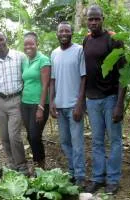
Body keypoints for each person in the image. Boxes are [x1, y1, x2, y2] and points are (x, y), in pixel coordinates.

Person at [83, 5, 126, 194]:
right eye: (90, 19)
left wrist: (119, 104)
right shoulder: (86, 40)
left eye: (96, 19)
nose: (93, 22)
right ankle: (98, 178)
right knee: (97, 141)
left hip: (110, 98)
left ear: (103, 18)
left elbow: (124, 74)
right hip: (92, 100)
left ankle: (113, 179)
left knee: (115, 140)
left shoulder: (114, 39)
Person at [50, 22, 86, 187]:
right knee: (65, 142)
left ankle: (79, 176)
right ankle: (72, 172)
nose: (64, 33)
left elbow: (84, 77)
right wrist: (52, 101)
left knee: (77, 142)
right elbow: (53, 80)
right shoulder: (54, 53)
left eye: (67, 30)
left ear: (72, 33)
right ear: (57, 34)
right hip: (60, 105)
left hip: (73, 106)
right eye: (61, 31)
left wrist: (80, 104)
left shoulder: (79, 50)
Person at [0, 32, 28, 174]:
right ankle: (12, 163)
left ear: (6, 39)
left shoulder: (19, 56)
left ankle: (22, 164)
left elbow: (26, 77)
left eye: (1, 39)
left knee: (14, 135)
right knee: (4, 136)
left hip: (15, 99)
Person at [21, 32, 51, 169]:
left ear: (36, 44)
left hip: (38, 104)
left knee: (34, 136)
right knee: (30, 136)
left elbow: (45, 85)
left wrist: (41, 107)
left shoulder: (43, 60)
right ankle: (37, 164)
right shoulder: (25, 61)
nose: (28, 46)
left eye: (31, 44)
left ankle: (41, 165)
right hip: (25, 103)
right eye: (26, 44)